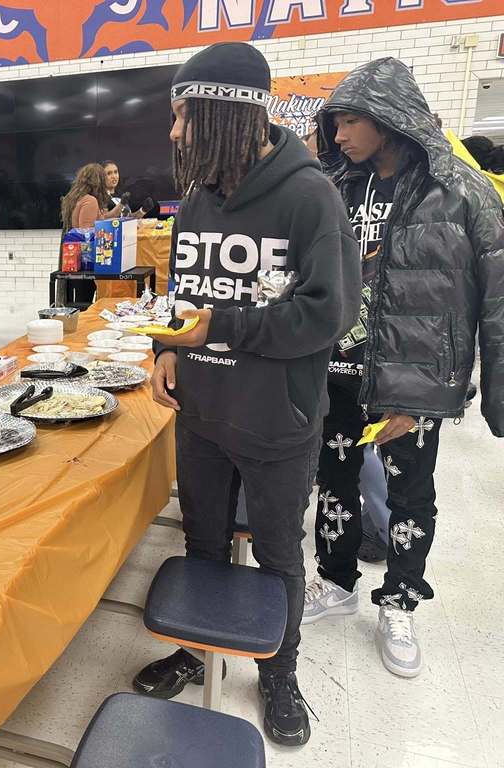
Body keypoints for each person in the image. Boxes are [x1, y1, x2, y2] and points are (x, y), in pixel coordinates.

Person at [134, 42, 360, 746]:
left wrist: (219, 328)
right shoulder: (201, 195)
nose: (174, 134)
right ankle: (198, 647)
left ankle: (278, 671)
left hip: (277, 421)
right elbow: (187, 296)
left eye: (184, 117)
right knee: (199, 543)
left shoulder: (310, 195)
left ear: (229, 114)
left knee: (278, 555)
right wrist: (168, 347)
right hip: (202, 413)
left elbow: (330, 314)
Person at [303, 58, 504, 679]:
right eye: (333, 123)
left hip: (412, 383)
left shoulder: (463, 194)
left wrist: (482, 393)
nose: (338, 135)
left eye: (352, 120)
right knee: (334, 483)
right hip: (334, 371)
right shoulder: (333, 185)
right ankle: (335, 584)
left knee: (410, 494)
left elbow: (496, 298)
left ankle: (400, 602)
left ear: (392, 120)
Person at [58, 163, 119, 306]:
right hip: (86, 262)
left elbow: (98, 220)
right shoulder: (90, 201)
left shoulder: (77, 198)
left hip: (75, 259)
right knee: (84, 302)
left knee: (78, 301)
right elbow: (86, 233)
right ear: (98, 180)